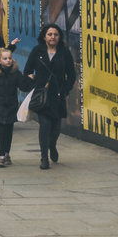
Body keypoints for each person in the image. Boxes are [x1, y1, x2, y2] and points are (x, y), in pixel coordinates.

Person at [20, 23, 76, 170]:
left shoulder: (64, 52)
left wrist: (65, 90)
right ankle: (44, 157)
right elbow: (27, 71)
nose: (53, 37)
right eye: (50, 34)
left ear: (59, 37)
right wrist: (35, 86)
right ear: (44, 37)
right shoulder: (37, 50)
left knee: (56, 126)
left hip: (58, 96)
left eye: (56, 35)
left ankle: (52, 145)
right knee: (44, 125)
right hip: (42, 96)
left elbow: (71, 75)